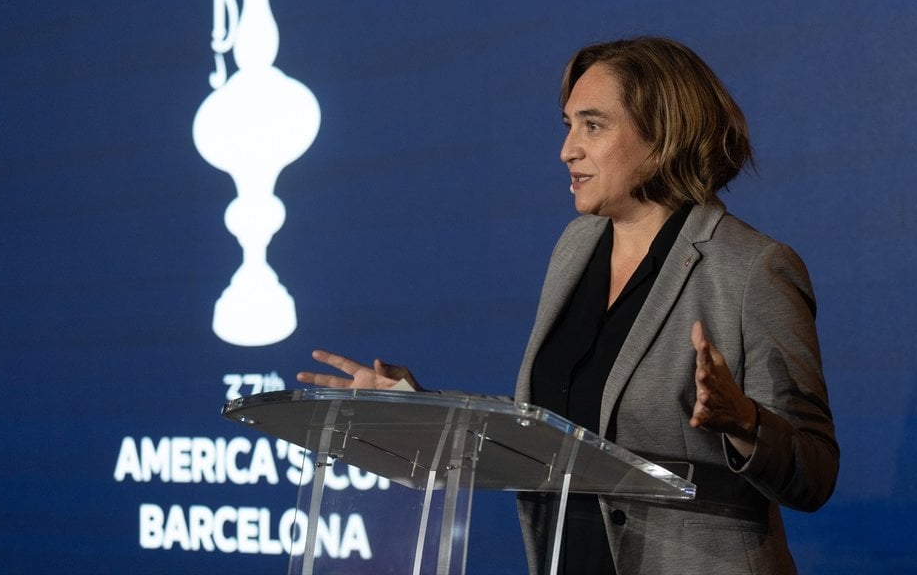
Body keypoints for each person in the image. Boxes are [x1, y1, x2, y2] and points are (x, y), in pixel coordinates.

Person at [297, 36, 838, 574]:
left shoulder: (751, 268)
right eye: (568, 125)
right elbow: (551, 425)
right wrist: (412, 405)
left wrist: (743, 422)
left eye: (593, 125)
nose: (567, 149)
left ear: (663, 134)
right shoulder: (576, 246)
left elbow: (814, 474)